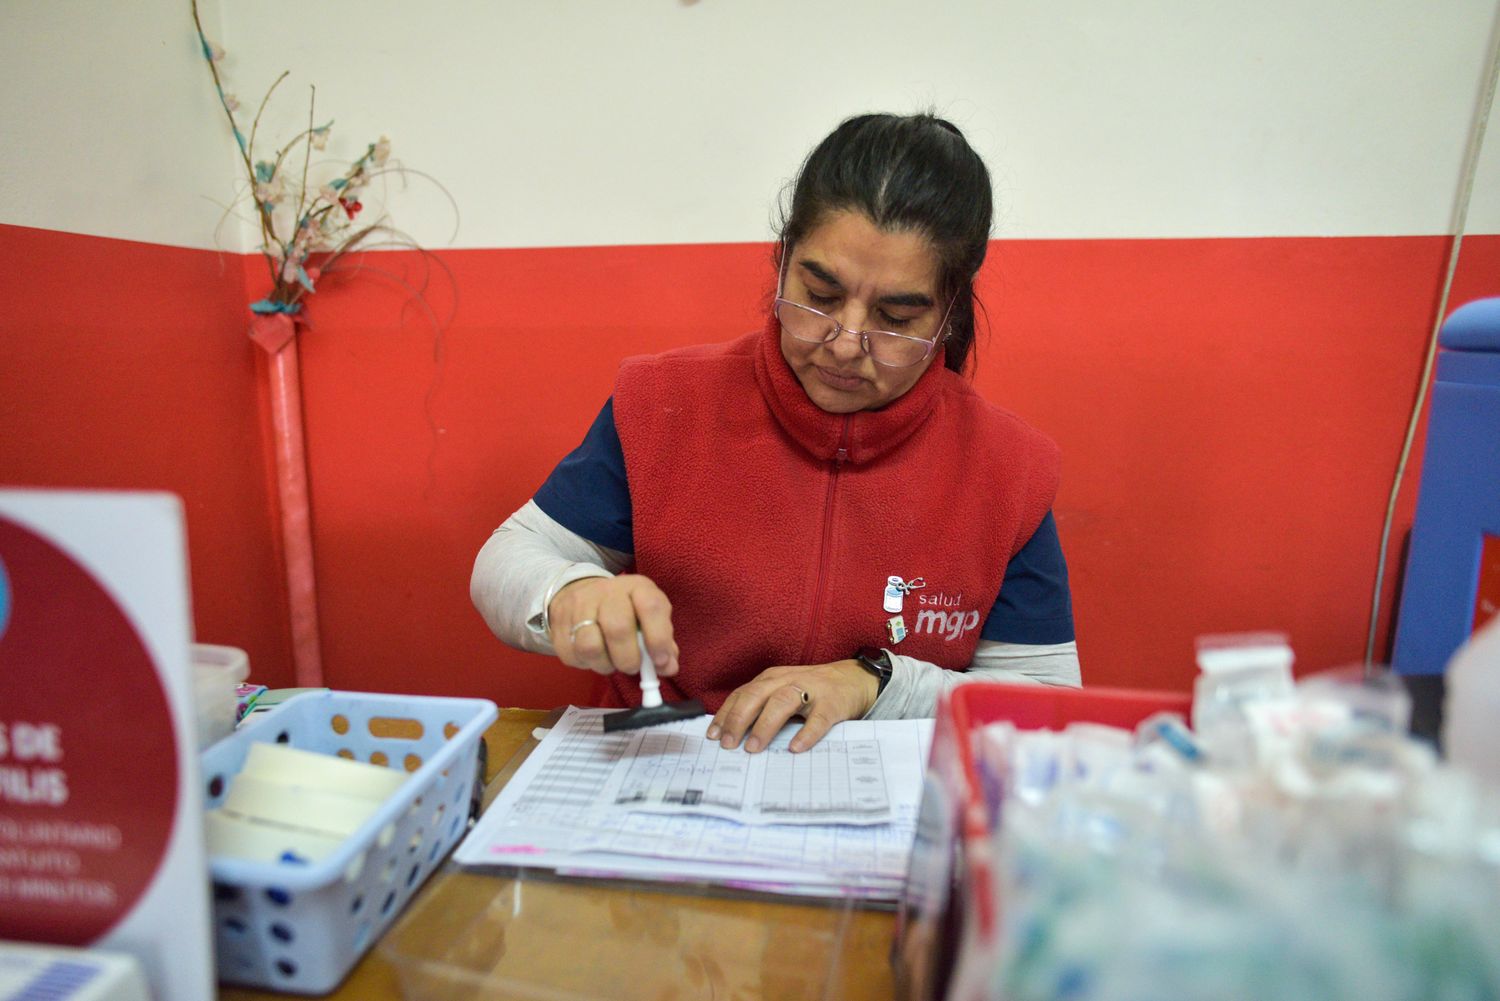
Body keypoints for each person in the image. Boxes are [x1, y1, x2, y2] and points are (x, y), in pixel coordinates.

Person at [471, 112, 1080, 754]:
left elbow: (1043, 701)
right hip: (662, 766)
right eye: (818, 295)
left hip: (881, 801)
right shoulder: (667, 404)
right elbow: (506, 560)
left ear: (950, 312)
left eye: (896, 316)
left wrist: (877, 682)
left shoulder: (1006, 468)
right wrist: (570, 592)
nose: (845, 344)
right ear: (782, 260)